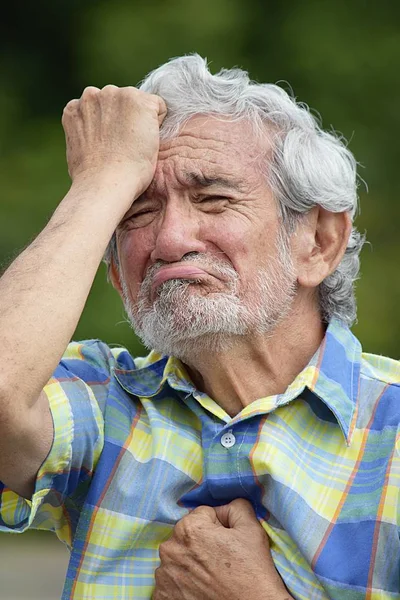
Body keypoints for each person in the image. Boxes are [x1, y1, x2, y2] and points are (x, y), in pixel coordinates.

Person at [0, 54, 398, 600]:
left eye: (213, 199)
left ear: (319, 242)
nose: (168, 240)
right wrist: (101, 182)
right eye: (136, 213)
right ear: (116, 273)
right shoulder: (104, 406)